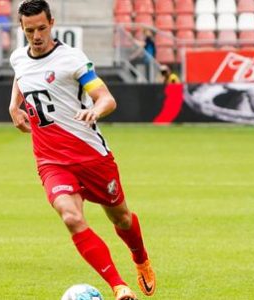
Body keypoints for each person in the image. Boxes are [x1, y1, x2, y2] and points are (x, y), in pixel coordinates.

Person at [8, 1, 155, 300]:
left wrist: (95, 111)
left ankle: (141, 260)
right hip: (51, 160)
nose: (36, 36)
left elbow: (106, 98)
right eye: (29, 30)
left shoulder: (72, 59)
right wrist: (14, 105)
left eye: (41, 28)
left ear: (52, 22)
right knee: (71, 217)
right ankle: (119, 286)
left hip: (90, 155)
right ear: (22, 29)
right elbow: (21, 75)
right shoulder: (18, 58)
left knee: (121, 218)